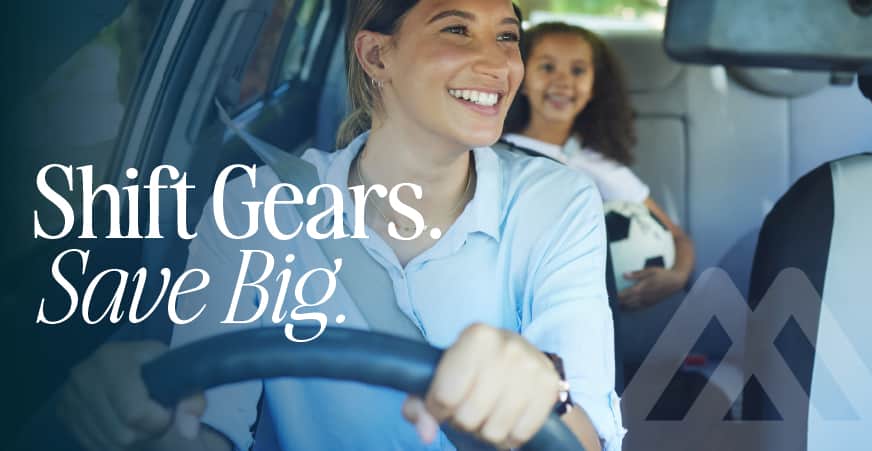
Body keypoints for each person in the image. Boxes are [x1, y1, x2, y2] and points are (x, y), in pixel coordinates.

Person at [55, 2, 624, 451]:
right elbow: (206, 430)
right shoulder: (254, 209)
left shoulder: (558, 200)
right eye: (456, 30)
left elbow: (586, 438)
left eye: (507, 35)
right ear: (377, 57)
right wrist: (141, 423)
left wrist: (543, 398)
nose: (500, 64)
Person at [500, 22, 695, 310]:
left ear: (594, 88)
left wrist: (676, 277)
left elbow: (677, 236)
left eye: (577, 71)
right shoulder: (491, 150)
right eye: (547, 67)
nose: (562, 81)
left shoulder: (597, 166)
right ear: (522, 78)